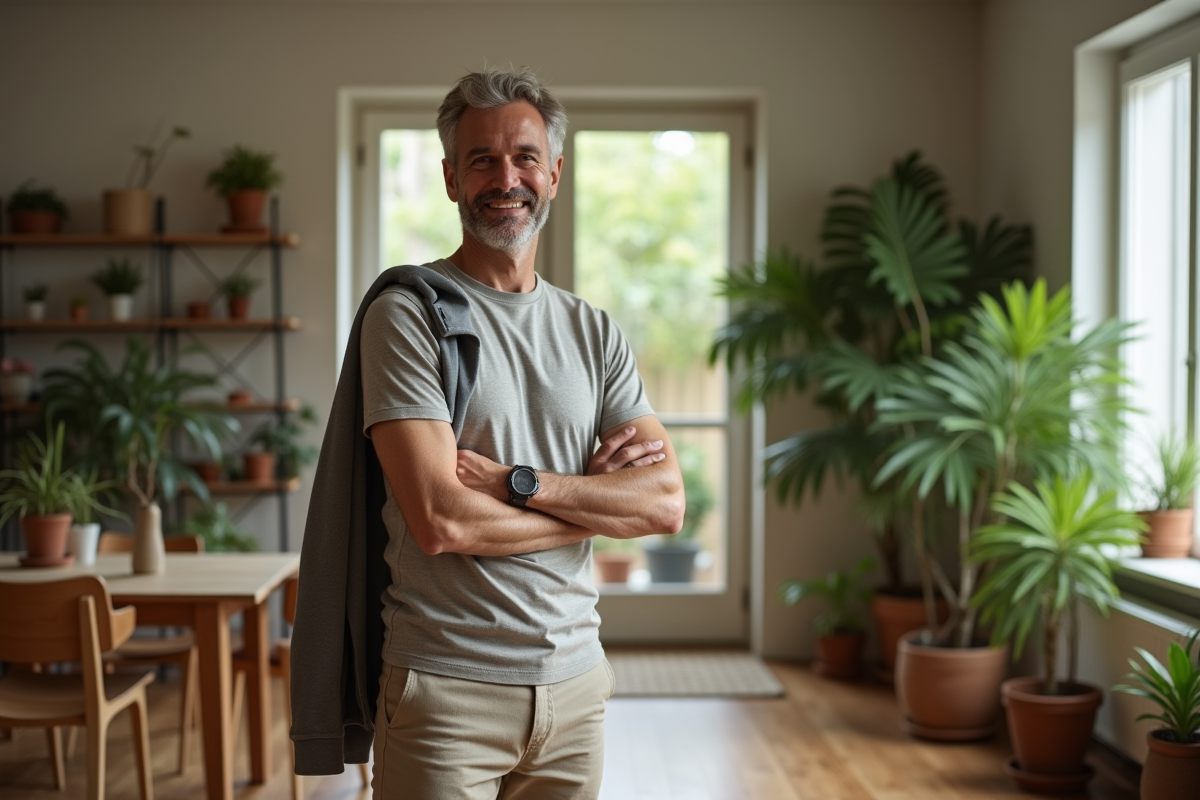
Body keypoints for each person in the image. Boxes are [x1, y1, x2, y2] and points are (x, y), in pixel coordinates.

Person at [291, 66, 685, 800]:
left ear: (555, 173)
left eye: (525, 156)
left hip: (576, 692)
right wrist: (592, 506)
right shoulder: (407, 315)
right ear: (450, 179)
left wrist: (518, 484)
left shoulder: (593, 332)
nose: (506, 178)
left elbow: (662, 504)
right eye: (482, 160)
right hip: (446, 692)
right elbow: (439, 519)